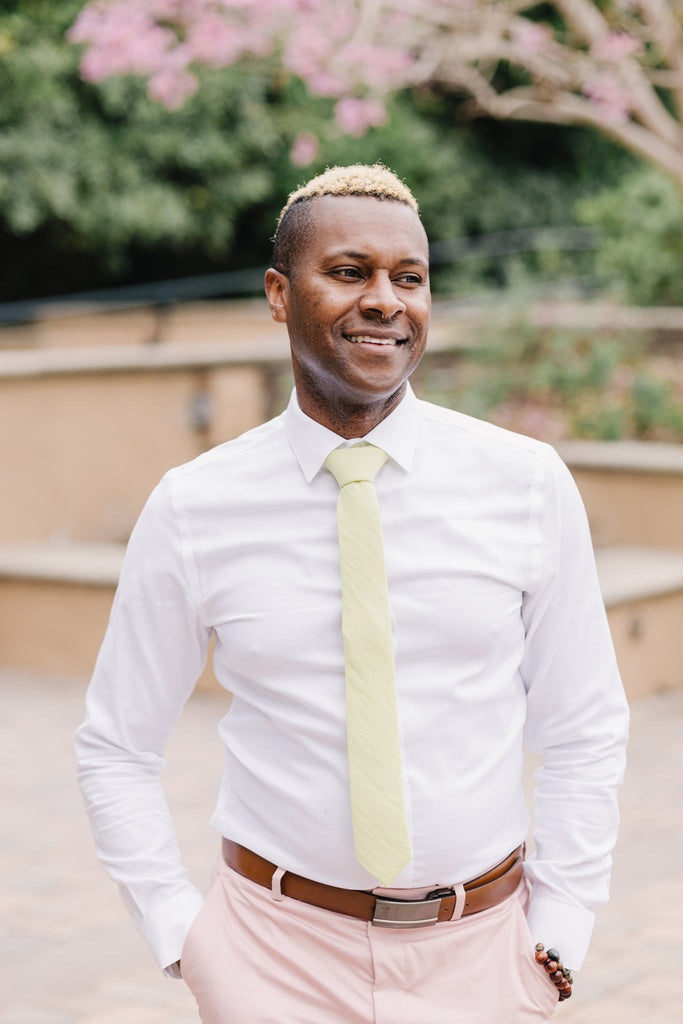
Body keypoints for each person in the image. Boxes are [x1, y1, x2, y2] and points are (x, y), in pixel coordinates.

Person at [76, 164, 629, 1022]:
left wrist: (561, 921)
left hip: (481, 953)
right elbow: (116, 742)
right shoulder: (195, 505)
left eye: (408, 278)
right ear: (277, 293)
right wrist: (181, 932)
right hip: (269, 957)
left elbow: (583, 723)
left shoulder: (523, 483)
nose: (384, 300)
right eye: (347, 272)